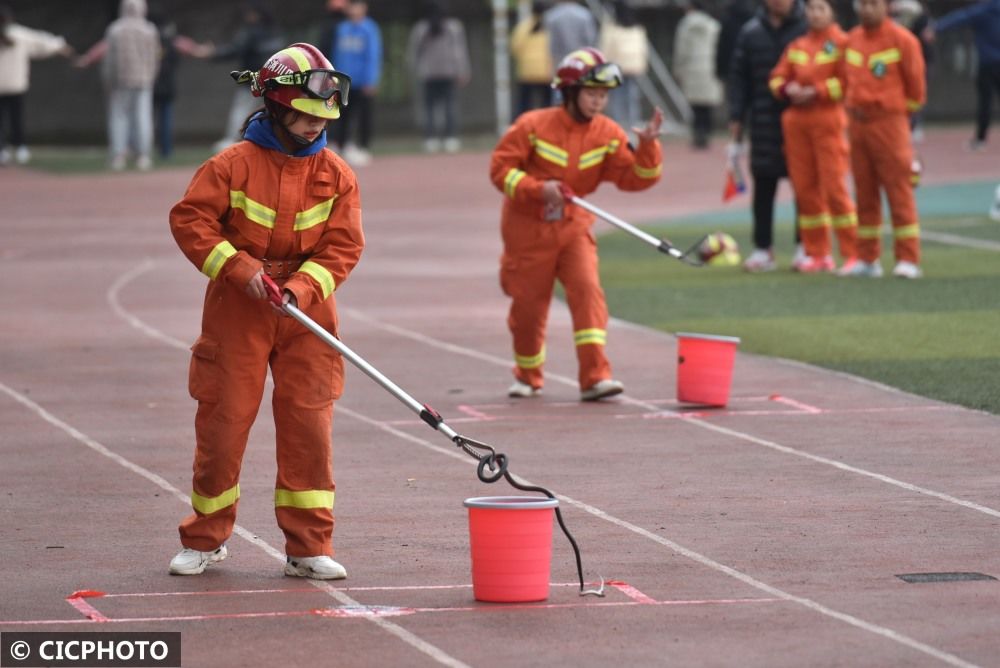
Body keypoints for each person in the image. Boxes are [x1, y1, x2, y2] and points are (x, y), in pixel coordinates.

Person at [167, 42, 364, 579]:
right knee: (224, 421)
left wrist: (301, 287)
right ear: (276, 106)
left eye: (320, 118)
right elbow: (191, 223)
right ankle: (206, 538)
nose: (311, 127)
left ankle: (307, 547)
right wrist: (239, 268)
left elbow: (344, 247)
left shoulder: (338, 173)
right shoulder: (230, 166)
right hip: (239, 308)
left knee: (308, 426)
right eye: (302, 115)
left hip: (308, 314)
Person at [489, 47, 663, 402]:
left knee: (587, 291)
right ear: (569, 92)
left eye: (603, 95)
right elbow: (500, 171)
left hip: (573, 226)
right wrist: (539, 190)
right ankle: (527, 375)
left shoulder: (608, 134)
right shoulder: (532, 126)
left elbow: (636, 178)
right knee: (528, 308)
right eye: (592, 93)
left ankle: (596, 377)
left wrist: (648, 148)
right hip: (527, 231)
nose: (599, 101)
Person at [769, 0, 858, 273]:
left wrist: (816, 91)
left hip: (827, 119)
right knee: (805, 190)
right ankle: (817, 253)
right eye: (810, 8)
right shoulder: (798, 45)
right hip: (796, 123)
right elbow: (776, 77)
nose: (814, 13)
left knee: (834, 189)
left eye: (821, 8)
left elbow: (848, 81)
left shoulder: (843, 43)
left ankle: (853, 253)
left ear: (831, 12)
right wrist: (787, 89)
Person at [841, 0, 926, 278]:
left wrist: (895, 114)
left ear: (887, 7)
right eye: (863, 4)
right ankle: (867, 258)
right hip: (857, 124)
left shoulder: (903, 41)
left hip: (889, 124)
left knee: (898, 191)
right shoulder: (851, 39)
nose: (867, 10)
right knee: (864, 193)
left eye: (873, 4)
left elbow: (916, 90)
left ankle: (908, 259)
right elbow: (844, 81)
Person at [727, 0, 807, 272]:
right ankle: (763, 248)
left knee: (805, 186)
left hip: (802, 121)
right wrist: (736, 119)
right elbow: (739, 79)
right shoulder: (751, 32)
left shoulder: (807, 30)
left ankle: (805, 245)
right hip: (762, 120)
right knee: (763, 185)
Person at [75, 0, 159, 171]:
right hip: (143, 80)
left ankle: (118, 156)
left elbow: (110, 59)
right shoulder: (149, 30)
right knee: (142, 117)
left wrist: (108, 79)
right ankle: (143, 156)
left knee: (119, 117)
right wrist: (151, 76)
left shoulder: (115, 29)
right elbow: (154, 57)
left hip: (120, 80)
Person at [0, 4, 73, 165]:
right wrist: (59, 45)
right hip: (16, 85)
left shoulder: (16, 35)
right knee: (16, 119)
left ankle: (3, 150)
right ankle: (20, 148)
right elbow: (42, 42)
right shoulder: (20, 34)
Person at [926, 0, 1000, 151]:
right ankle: (980, 138)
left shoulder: (983, 11)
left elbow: (960, 18)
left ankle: (980, 139)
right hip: (989, 63)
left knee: (985, 103)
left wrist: (936, 28)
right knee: (985, 102)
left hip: (987, 63)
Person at [210, 2, 284, 152]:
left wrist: (213, 53)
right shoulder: (276, 32)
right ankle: (271, 141)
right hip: (273, 82)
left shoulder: (252, 32)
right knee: (269, 112)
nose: (247, 16)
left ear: (256, 14)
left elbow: (235, 49)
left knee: (241, 110)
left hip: (252, 80)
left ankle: (232, 140)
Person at [406, 1, 471, 153]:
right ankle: (450, 138)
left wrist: (414, 70)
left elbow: (413, 53)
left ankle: (430, 139)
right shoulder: (453, 27)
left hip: (428, 74)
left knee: (429, 108)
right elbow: (459, 52)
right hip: (447, 72)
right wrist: (463, 70)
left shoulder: (421, 28)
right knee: (449, 106)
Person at [149, 14, 212, 159]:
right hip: (167, 86)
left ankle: (144, 150)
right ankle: (166, 150)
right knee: (165, 119)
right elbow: (195, 50)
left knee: (145, 119)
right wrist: (207, 50)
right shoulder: (175, 42)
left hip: (149, 84)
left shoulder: (148, 40)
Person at [331, 0, 381, 166]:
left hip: (362, 81)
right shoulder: (342, 28)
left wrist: (370, 80)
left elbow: (373, 56)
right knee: (342, 114)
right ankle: (342, 145)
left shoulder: (369, 29)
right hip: (344, 80)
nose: (354, 9)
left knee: (364, 115)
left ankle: (364, 147)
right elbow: (338, 54)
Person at [672, 0, 723, 149]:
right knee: (707, 105)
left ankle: (697, 133)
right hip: (710, 66)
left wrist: (678, 69)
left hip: (691, 67)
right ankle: (706, 133)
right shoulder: (713, 25)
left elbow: (681, 49)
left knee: (695, 105)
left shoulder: (685, 25)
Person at [599, 0, 649, 132]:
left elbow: (606, 49)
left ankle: (618, 125)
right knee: (632, 97)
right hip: (634, 66)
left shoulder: (611, 28)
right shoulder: (637, 28)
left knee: (617, 98)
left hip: (617, 67)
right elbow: (643, 49)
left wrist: (603, 67)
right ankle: (634, 124)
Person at [889, 0, 933, 142]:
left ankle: (915, 125)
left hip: (922, 58)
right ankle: (903, 125)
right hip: (898, 60)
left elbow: (927, 33)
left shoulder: (918, 11)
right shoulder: (889, 11)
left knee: (918, 91)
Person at [510, 1, 553, 116]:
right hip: (547, 71)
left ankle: (522, 128)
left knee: (524, 104)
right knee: (547, 105)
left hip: (526, 71)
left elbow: (514, 47)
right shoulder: (551, 26)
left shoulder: (524, 26)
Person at [543, 0, 597, 65]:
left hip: (561, 61)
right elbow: (591, 40)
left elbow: (552, 44)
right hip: (582, 59)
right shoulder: (585, 15)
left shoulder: (551, 16)